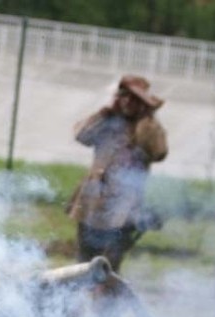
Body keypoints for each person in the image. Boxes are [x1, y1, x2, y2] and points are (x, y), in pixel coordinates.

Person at [66, 75, 168, 272]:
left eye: (134, 99)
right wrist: (105, 113)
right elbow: (81, 135)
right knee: (83, 265)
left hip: (125, 208)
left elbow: (159, 152)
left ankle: (106, 302)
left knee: (109, 268)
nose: (127, 102)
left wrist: (147, 117)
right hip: (93, 202)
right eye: (124, 97)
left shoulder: (147, 127)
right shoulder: (107, 121)